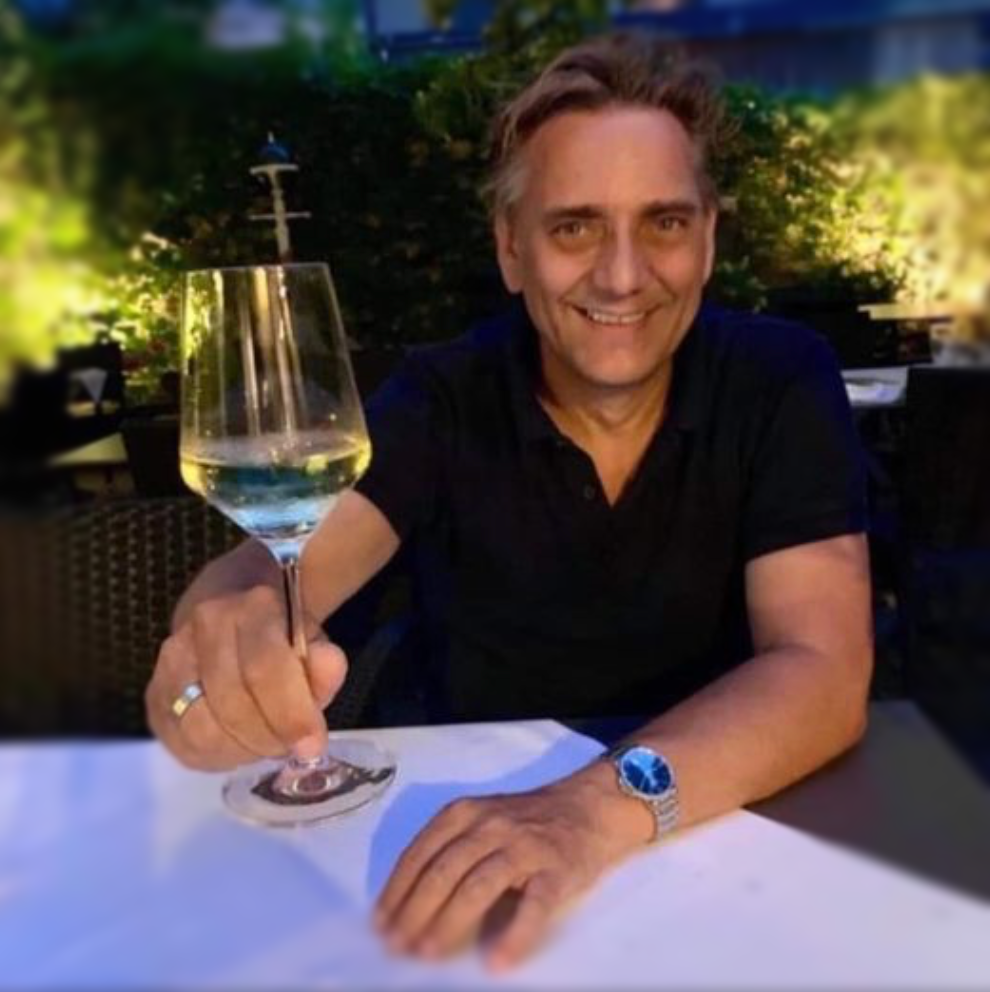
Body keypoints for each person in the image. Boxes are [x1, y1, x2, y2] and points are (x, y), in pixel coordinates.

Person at [146, 33, 872, 972]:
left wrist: (588, 811)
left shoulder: (779, 378)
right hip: (457, 867)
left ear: (707, 240)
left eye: (663, 222)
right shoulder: (445, 395)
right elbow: (276, 567)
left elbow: (822, 670)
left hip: (728, 840)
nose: (622, 274)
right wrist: (220, 647)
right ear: (511, 249)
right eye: (574, 228)